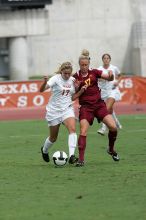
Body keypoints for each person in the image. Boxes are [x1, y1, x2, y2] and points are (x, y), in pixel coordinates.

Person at [72, 55, 120, 167]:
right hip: (85, 108)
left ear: (89, 64)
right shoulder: (75, 78)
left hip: (99, 105)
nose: (84, 67)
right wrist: (77, 88)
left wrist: (111, 75)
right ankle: (81, 160)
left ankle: (111, 149)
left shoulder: (94, 72)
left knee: (113, 127)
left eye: (86, 65)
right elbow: (73, 97)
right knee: (83, 131)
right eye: (82, 65)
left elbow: (110, 78)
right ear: (79, 65)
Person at [40, 62, 84, 164]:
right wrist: (45, 82)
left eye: (69, 73)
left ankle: (72, 156)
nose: (67, 75)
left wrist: (79, 89)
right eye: (65, 73)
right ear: (61, 72)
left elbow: (73, 97)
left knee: (72, 129)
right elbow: (41, 90)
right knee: (53, 138)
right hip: (54, 111)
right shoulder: (55, 79)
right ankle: (44, 150)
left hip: (67, 109)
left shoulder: (73, 80)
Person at [97, 53, 122, 135]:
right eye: (104, 58)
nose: (106, 59)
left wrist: (117, 82)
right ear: (102, 60)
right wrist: (102, 78)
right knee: (110, 110)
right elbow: (98, 79)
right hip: (104, 92)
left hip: (113, 91)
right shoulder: (99, 69)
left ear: (110, 59)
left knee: (106, 109)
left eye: (108, 58)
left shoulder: (114, 68)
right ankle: (117, 124)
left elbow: (120, 75)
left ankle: (103, 128)